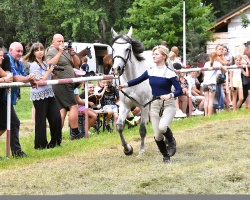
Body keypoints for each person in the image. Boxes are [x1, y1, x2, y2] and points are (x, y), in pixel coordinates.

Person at [118, 45, 183, 164]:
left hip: (168, 104)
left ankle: (171, 141)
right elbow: (137, 80)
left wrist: (170, 95)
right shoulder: (150, 71)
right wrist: (125, 85)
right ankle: (166, 156)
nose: (153, 56)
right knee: (157, 135)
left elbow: (180, 90)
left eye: (156, 54)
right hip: (154, 104)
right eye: (153, 54)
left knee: (162, 127)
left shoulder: (170, 73)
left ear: (164, 57)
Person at [22, 42, 62, 149]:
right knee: (41, 120)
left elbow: (50, 78)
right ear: (33, 53)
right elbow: (41, 80)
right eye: (37, 50)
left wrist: (56, 73)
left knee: (57, 118)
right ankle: (40, 145)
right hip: (39, 94)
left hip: (49, 93)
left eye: (41, 49)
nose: (40, 51)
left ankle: (56, 142)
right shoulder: (34, 65)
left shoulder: (45, 63)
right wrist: (49, 70)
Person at [1, 42, 37, 157]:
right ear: (10, 50)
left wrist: (29, 78)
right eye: (18, 51)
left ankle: (17, 151)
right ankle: (17, 152)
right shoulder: (7, 59)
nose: (20, 53)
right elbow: (14, 78)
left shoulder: (18, 63)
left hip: (7, 98)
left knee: (10, 123)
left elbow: (17, 76)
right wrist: (27, 79)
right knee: (9, 123)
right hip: (3, 97)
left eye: (21, 51)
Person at [45, 34, 83, 140]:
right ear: (53, 42)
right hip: (61, 83)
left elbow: (77, 64)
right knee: (74, 106)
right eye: (59, 41)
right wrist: (60, 52)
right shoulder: (51, 52)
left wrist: (73, 54)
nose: (61, 43)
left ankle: (56, 135)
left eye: (62, 41)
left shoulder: (66, 52)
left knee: (62, 110)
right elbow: (49, 64)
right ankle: (75, 132)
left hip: (68, 83)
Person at [203, 52, 227, 116]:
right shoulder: (217, 63)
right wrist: (222, 70)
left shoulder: (206, 63)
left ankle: (205, 115)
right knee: (211, 100)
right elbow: (225, 69)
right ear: (216, 57)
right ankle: (209, 115)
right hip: (212, 83)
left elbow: (204, 73)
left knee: (206, 100)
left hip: (205, 83)